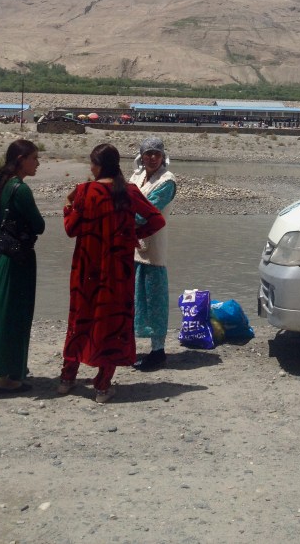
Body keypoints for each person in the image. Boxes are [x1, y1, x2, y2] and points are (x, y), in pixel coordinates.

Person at [58, 143, 165, 402]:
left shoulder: (85, 192)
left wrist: (67, 204)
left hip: (86, 269)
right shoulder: (128, 191)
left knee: (80, 318)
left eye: (92, 163)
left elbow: (71, 229)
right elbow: (156, 220)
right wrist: (132, 235)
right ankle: (103, 385)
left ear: (99, 165)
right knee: (112, 320)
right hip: (118, 270)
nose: (90, 167)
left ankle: (67, 377)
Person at [0, 138, 45, 394]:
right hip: (20, 260)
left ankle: (5, 370)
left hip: (6, 258)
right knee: (16, 314)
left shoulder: (3, 184)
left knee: (4, 312)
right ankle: (7, 377)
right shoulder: (21, 189)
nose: (37, 163)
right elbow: (39, 225)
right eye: (34, 158)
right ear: (21, 160)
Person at [130, 136, 177, 372]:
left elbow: (147, 212)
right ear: (142, 155)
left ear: (162, 156)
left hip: (154, 244)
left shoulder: (167, 182)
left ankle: (158, 351)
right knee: (134, 297)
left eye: (156, 154)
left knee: (154, 298)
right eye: (148, 153)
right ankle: (130, 345)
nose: (152, 157)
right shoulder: (137, 177)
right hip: (132, 244)